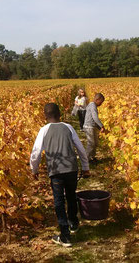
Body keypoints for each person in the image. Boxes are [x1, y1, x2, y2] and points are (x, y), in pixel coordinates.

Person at [30, 103, 90, 247]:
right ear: (60, 113)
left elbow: (36, 152)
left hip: (56, 171)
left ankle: (65, 236)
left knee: (58, 201)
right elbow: (80, 148)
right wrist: (86, 167)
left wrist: (34, 169)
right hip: (71, 169)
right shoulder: (68, 127)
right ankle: (73, 223)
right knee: (71, 195)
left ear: (45, 116)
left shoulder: (43, 130)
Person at [83, 93, 105, 162]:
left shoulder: (93, 105)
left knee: (95, 143)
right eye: (101, 102)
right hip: (89, 127)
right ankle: (86, 159)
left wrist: (99, 128)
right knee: (91, 144)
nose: (101, 104)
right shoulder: (92, 105)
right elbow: (95, 118)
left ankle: (92, 157)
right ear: (97, 99)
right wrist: (102, 126)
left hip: (92, 126)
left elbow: (94, 120)